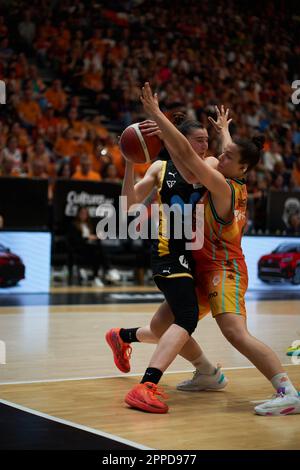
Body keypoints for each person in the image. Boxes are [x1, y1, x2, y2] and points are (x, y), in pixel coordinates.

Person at [137, 82, 300, 416]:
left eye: (225, 155)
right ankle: (207, 374)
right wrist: (225, 131)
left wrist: (157, 116)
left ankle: (288, 392)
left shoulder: (224, 187)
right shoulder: (235, 173)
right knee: (160, 325)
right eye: (220, 151)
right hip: (204, 269)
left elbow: (184, 155)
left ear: (239, 169)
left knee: (236, 333)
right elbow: (232, 154)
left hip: (223, 271)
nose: (218, 155)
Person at [106, 113, 230, 413]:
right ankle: (147, 385)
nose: (205, 145)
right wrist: (130, 163)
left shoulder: (209, 164)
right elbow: (130, 204)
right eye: (199, 140)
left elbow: (230, 160)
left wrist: (224, 131)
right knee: (185, 319)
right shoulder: (160, 167)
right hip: (168, 251)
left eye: (206, 140)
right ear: (182, 139)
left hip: (198, 257)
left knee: (165, 326)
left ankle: (122, 336)